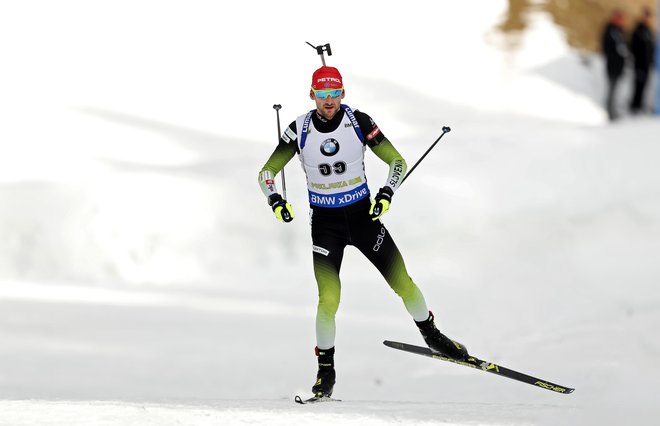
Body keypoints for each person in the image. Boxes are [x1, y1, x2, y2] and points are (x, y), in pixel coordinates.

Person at [257, 66, 468, 398]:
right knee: (328, 300)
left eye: (334, 93)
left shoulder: (360, 121)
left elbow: (397, 161)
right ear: (312, 94)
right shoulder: (299, 129)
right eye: (322, 95)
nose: (329, 101)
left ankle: (433, 335)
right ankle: (325, 372)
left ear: (343, 92)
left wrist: (386, 194)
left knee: (403, 283)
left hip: (363, 218)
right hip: (326, 226)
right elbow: (266, 172)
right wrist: (276, 201)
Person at [601, 9, 627, 121]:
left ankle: (613, 111)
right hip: (612, 66)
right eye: (618, 17)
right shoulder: (610, 30)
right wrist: (616, 54)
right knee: (611, 90)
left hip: (618, 67)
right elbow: (607, 48)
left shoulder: (619, 31)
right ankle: (610, 113)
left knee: (615, 90)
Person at [629, 7, 656, 114]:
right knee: (637, 86)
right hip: (639, 64)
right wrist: (636, 62)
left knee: (644, 86)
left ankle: (640, 106)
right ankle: (634, 107)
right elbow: (633, 48)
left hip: (647, 65)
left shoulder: (649, 31)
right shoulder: (638, 30)